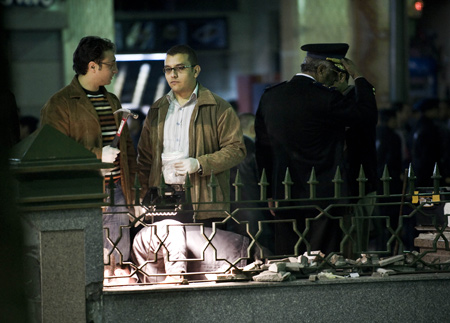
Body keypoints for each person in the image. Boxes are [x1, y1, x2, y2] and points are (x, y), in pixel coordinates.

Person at [255, 43, 377, 256]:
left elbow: (263, 150)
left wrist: (270, 192)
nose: (336, 80)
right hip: (324, 196)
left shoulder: (270, 97)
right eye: (336, 74)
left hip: (285, 194)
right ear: (321, 70)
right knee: (323, 261)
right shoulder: (327, 98)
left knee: (289, 258)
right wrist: (358, 76)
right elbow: (367, 116)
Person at [40, 36, 138, 284]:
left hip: (117, 191)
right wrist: (96, 156)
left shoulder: (111, 100)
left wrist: (135, 193)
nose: (115, 69)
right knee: (90, 267)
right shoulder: (60, 104)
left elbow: (127, 149)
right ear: (93, 65)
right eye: (111, 64)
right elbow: (53, 152)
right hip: (85, 194)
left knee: (120, 265)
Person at [137, 44, 246, 226]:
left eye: (180, 68)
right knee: (167, 252)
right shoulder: (157, 109)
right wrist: (141, 196)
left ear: (195, 71)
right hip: (163, 197)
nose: (173, 74)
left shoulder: (218, 107)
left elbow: (237, 149)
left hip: (203, 199)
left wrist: (199, 164)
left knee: (206, 252)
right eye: (168, 69)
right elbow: (145, 158)